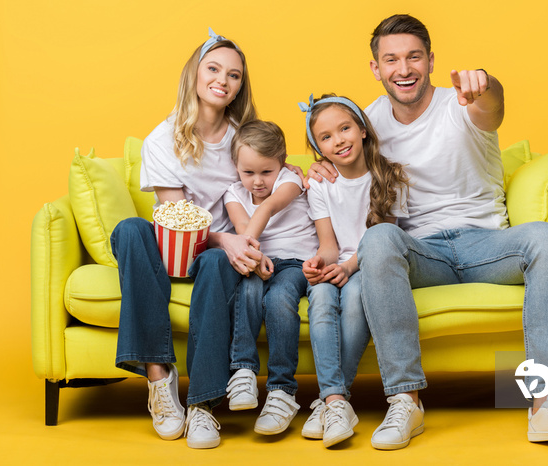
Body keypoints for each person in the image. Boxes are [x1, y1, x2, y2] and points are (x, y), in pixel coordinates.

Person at [310, 14, 548, 450]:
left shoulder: (462, 104)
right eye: (391, 60)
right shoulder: (365, 123)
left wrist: (488, 85)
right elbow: (336, 150)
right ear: (375, 68)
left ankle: (547, 406)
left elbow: (493, 106)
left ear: (430, 60)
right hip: (421, 252)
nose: (403, 69)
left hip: (487, 243)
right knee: (379, 238)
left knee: (546, 236)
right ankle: (405, 402)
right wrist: (313, 168)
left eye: (413, 57)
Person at [110, 28, 263, 449]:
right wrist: (224, 239)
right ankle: (159, 379)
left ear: (238, 87)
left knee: (216, 260)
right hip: (174, 246)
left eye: (234, 75)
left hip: (216, 258)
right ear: (194, 74)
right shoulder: (163, 138)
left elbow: (272, 174)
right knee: (130, 229)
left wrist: (311, 174)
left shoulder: (242, 137)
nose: (222, 80)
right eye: (213, 68)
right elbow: (176, 217)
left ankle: (202, 405)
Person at [297, 94, 409, 448]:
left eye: (345, 128)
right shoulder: (319, 184)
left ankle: (331, 400)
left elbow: (383, 239)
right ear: (319, 147)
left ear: (362, 129)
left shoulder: (391, 177)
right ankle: (336, 402)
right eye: (326, 137)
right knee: (322, 298)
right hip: (338, 263)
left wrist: (348, 267)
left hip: (370, 264)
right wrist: (321, 263)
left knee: (358, 294)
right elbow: (328, 244)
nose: (339, 140)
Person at [222, 120, 319, 435]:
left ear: (283, 163)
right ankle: (243, 372)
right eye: (248, 173)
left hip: (295, 263)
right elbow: (241, 230)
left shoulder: (291, 179)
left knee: (278, 298)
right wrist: (255, 257)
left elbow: (273, 205)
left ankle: (282, 390)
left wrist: (253, 247)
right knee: (248, 286)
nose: (258, 182)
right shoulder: (234, 192)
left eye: (267, 172)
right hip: (259, 257)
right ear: (236, 167)